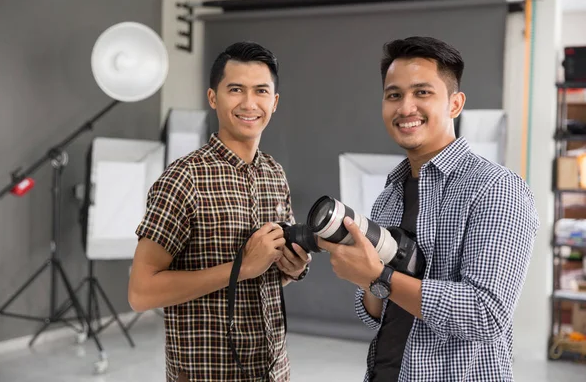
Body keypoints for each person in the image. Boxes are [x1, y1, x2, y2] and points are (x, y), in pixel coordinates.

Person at [319, 36, 539, 381]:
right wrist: (367, 277)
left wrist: (378, 276)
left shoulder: (495, 187)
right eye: (394, 95)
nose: (405, 107)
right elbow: (377, 313)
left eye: (422, 92)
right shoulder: (390, 195)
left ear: (455, 104)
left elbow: (486, 314)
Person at [128, 41, 312, 382]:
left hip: (274, 371)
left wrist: (290, 267)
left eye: (260, 91)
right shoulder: (183, 179)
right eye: (235, 90)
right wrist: (240, 268)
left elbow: (263, 280)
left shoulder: (275, 173)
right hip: (207, 374)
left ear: (275, 102)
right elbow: (140, 293)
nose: (249, 103)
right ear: (213, 98)